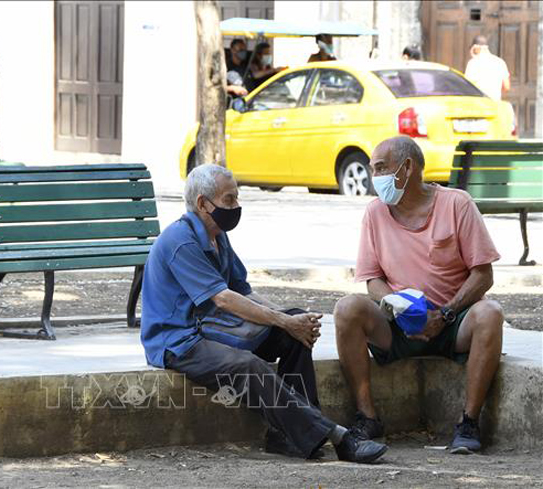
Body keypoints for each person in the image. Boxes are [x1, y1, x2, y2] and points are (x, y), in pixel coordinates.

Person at [140, 163, 388, 464]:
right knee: (249, 364)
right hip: (177, 341)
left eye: (236, 198)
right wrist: (283, 320)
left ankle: (286, 435)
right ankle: (337, 436)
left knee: (294, 332)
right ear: (203, 204)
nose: (236, 206)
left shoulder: (217, 235)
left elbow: (243, 291)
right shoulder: (180, 241)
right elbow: (223, 299)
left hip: (212, 328)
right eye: (229, 200)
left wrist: (290, 319)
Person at [333, 136, 504, 454]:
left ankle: (468, 422)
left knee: (491, 313)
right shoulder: (375, 213)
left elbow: (484, 275)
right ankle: (367, 417)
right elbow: (372, 281)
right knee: (346, 309)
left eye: (382, 168)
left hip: (454, 323)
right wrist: (401, 310)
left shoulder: (457, 204)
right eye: (373, 169)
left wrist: (446, 314)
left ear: (407, 168)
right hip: (399, 321)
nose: (376, 177)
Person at [464, 35, 510, 100]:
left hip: (479, 104)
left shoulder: (472, 63)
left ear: (476, 48)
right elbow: (506, 87)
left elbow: (467, 86)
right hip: (495, 104)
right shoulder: (500, 62)